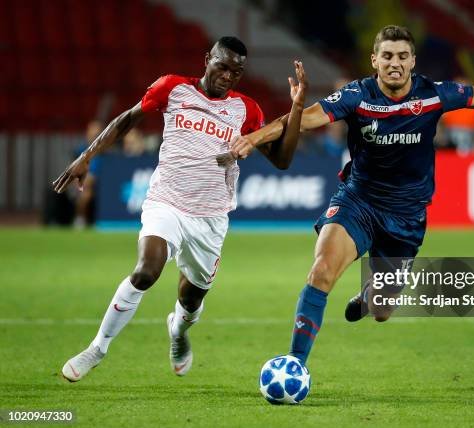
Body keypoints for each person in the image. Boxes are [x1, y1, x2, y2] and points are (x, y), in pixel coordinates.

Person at [229, 25, 474, 369]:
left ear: (413, 60)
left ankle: (368, 296)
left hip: (406, 216)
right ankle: (295, 363)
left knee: (381, 310)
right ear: (375, 60)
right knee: (321, 271)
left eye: (402, 56)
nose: (395, 63)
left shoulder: (434, 94)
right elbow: (303, 119)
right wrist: (252, 138)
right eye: (387, 56)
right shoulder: (357, 95)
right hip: (357, 202)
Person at [53, 36, 308, 382]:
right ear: (207, 59)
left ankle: (178, 332)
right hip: (166, 201)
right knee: (146, 270)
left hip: (210, 217)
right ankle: (97, 348)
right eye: (223, 66)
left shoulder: (246, 110)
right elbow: (127, 119)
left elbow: (282, 160)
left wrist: (296, 109)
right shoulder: (172, 88)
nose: (228, 76)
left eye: (237, 72)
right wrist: (86, 156)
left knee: (191, 298)